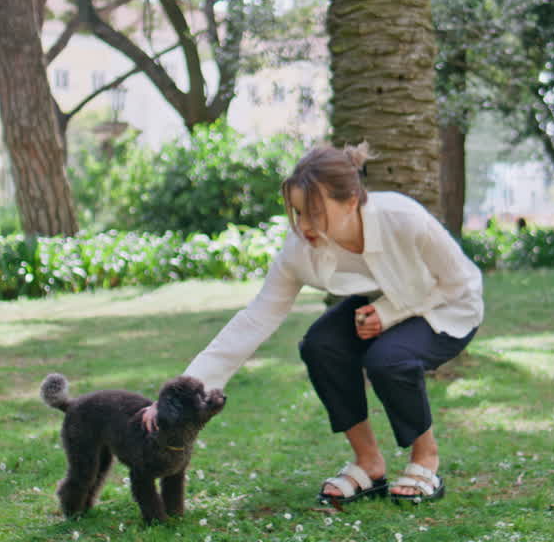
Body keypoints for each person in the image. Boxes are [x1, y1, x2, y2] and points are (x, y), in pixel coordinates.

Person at [143, 143, 482, 505]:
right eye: (298, 212)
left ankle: (425, 457)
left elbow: (459, 282)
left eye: (314, 213)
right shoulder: (299, 250)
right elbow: (254, 319)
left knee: (387, 360)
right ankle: (369, 463)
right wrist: (177, 395)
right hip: (383, 303)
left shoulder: (404, 218)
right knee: (321, 345)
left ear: (352, 201)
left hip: (448, 308)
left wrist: (389, 314)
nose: (303, 226)